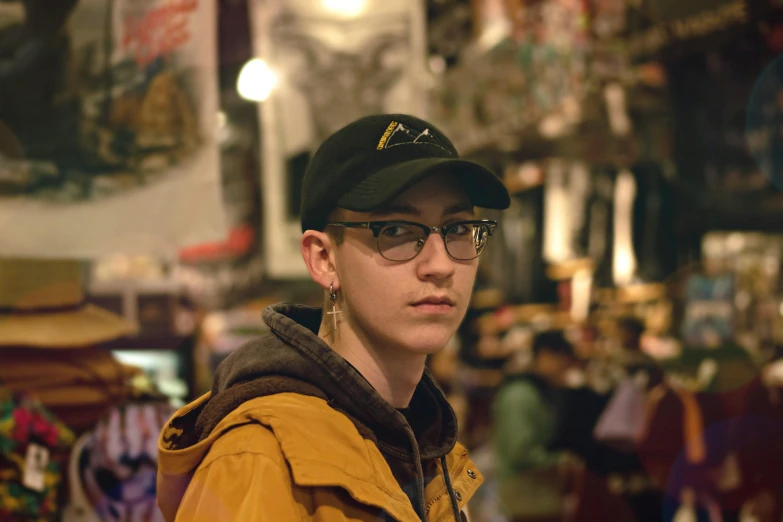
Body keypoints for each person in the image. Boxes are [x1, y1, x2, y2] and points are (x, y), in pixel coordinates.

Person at [156, 114, 510, 521]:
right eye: (396, 230)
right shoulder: (260, 458)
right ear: (324, 259)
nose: (441, 264)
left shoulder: (423, 447)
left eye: (458, 228)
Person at [492, 329, 584, 522]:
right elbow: (520, 452)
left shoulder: (536, 391)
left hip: (538, 498)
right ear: (544, 356)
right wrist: (561, 460)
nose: (565, 371)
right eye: (562, 363)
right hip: (526, 499)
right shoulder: (521, 395)